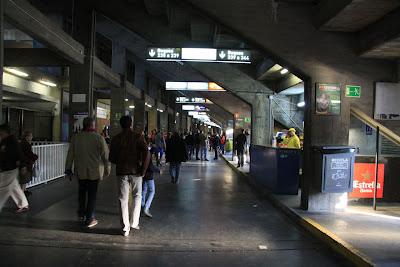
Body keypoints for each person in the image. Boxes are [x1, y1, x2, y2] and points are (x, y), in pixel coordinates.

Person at [65, 117, 110, 228]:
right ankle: (90, 219)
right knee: (92, 196)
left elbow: (70, 154)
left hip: (80, 172)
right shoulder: (99, 138)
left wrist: (68, 169)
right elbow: (106, 155)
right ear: (92, 125)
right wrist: (107, 170)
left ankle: (81, 214)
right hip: (93, 172)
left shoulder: (76, 138)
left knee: (81, 193)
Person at [109, 116, 150, 237]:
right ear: (131, 124)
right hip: (136, 171)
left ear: (121, 125)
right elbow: (146, 153)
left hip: (121, 172)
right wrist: (143, 169)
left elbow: (112, 158)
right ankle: (134, 222)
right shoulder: (138, 137)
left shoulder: (116, 139)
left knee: (123, 199)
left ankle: (125, 228)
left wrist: (120, 161)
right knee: (137, 196)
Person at [0, 124, 29, 213]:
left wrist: (23, 165)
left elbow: (19, 154)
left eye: (1, 132)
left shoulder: (12, 141)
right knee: (14, 187)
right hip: (7, 168)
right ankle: (23, 204)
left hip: (10, 169)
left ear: (5, 132)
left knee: (3, 188)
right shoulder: (4, 141)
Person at [19, 131, 38, 196]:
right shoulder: (26, 144)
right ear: (27, 137)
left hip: (24, 164)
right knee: (24, 180)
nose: (32, 137)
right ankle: (22, 195)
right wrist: (35, 157)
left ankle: (24, 191)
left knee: (24, 180)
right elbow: (29, 154)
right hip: (25, 164)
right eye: (31, 136)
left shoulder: (23, 143)